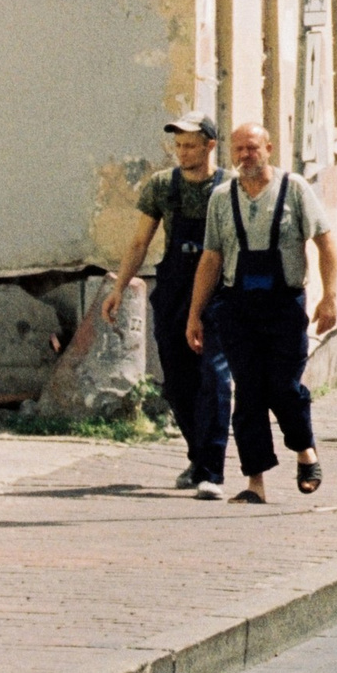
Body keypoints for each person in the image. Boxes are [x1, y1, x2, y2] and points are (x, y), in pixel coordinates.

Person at [187, 123, 337, 504]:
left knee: (283, 387)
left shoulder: (295, 190)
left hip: (284, 305)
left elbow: (325, 243)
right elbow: (211, 258)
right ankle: (255, 483)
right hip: (237, 307)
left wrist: (329, 296)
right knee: (249, 393)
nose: (244, 156)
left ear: (268, 148)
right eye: (238, 149)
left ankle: (305, 451)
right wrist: (194, 314)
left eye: (252, 148)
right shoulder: (222, 198)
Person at [100, 115, 230, 500]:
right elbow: (140, 241)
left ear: (209, 146)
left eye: (190, 145)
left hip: (218, 291)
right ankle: (198, 456)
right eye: (178, 146)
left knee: (215, 377)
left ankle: (212, 472)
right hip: (174, 287)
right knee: (176, 382)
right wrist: (118, 288)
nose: (182, 153)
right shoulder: (162, 187)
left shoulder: (228, 188)